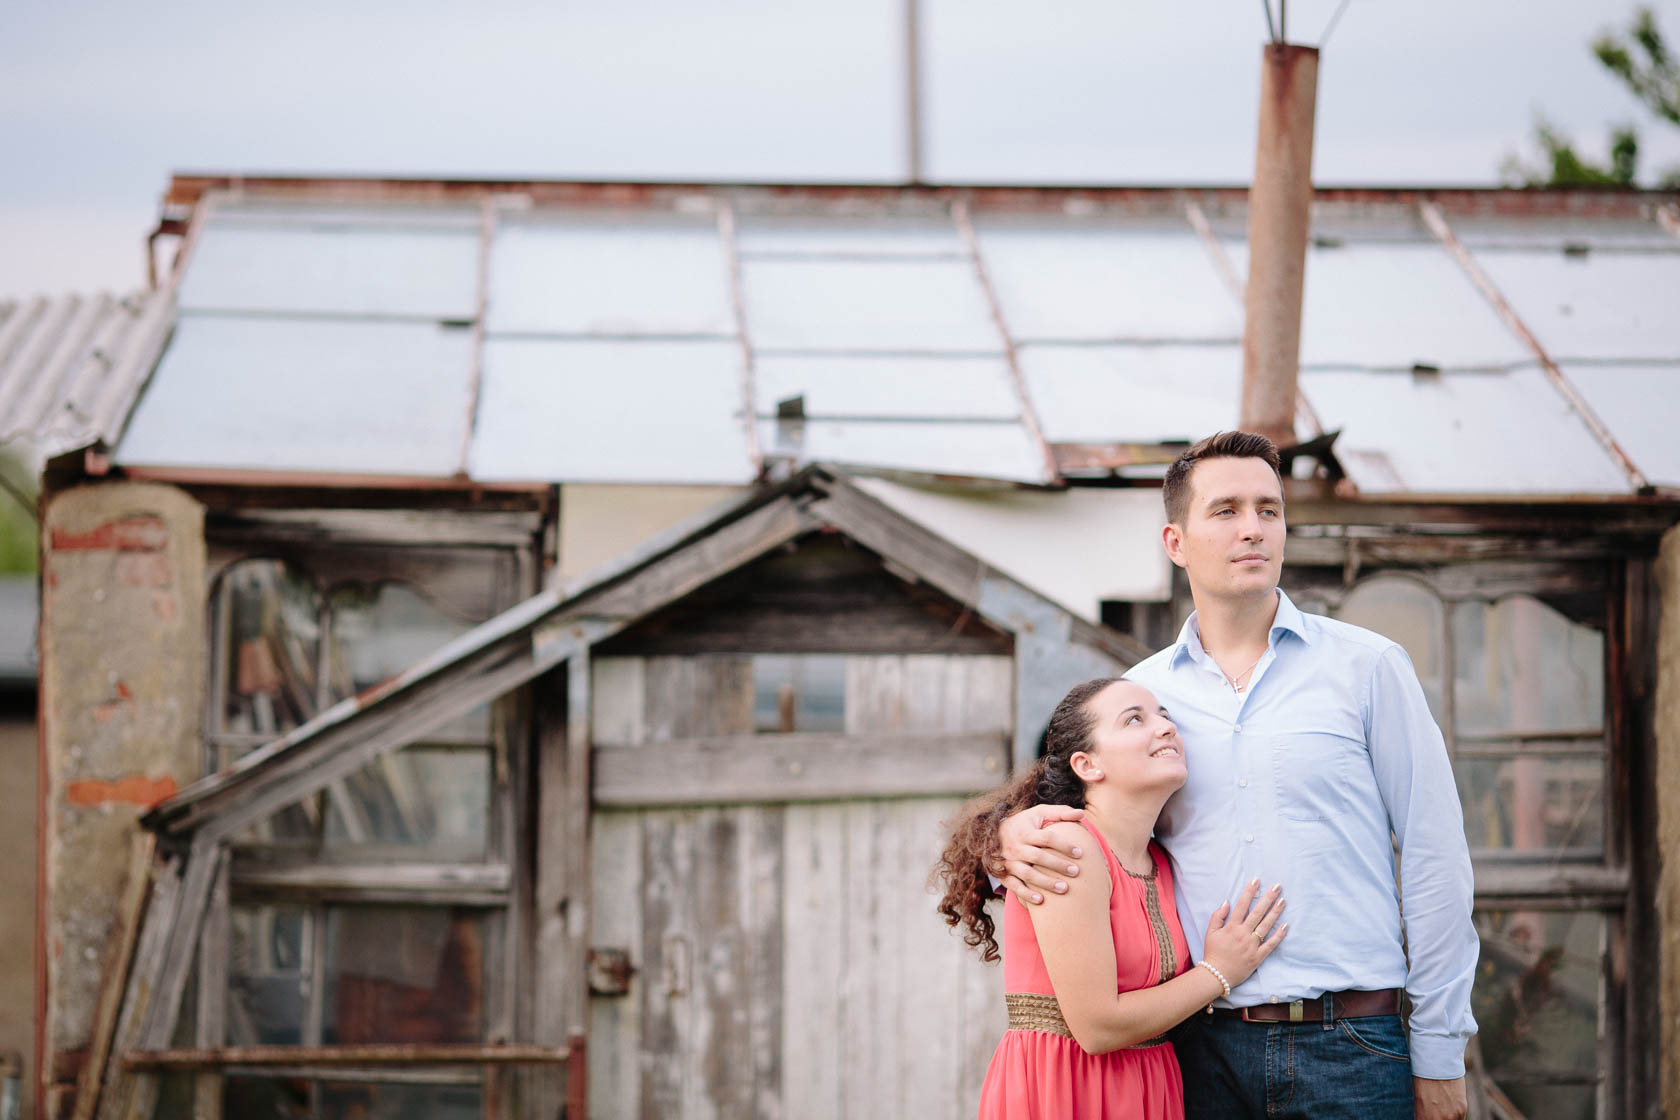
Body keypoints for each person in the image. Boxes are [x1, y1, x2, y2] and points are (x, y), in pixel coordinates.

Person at [993, 431, 1477, 1120]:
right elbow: (1090, 828)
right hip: (1194, 1052)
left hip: (1351, 1047)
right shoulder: (1144, 696)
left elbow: (1436, 859)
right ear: (1175, 542)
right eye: (1225, 511)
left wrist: (1439, 1048)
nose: (1253, 529)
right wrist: (1012, 836)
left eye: (1269, 510)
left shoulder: (1369, 669)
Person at [935, 676, 1287, 1119]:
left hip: (1150, 1085)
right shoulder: (1068, 847)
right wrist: (1219, 972)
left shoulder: (1160, 860)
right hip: (1065, 1089)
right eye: (1134, 719)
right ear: (1088, 765)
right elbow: (1097, 1027)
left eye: (1165, 716)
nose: (1164, 728)